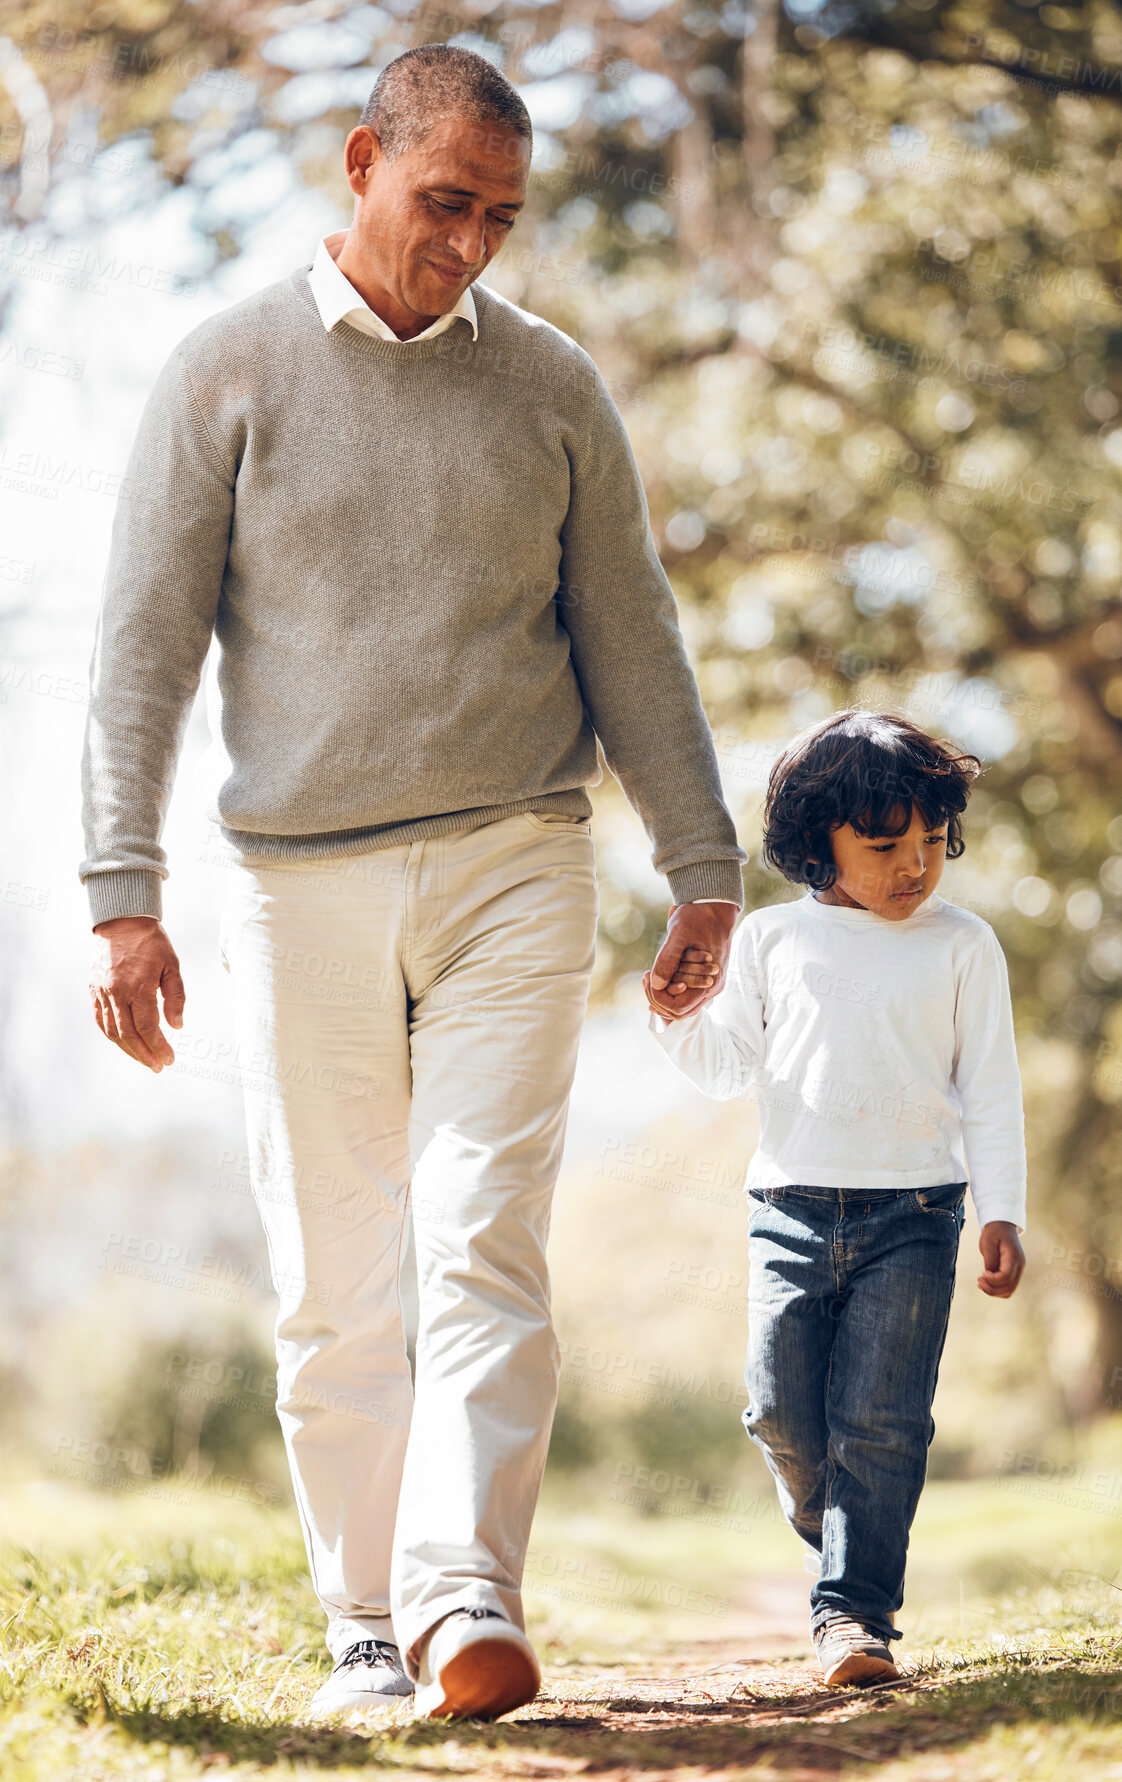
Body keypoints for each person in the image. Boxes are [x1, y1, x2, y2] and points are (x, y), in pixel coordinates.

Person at [80, 45, 746, 1722]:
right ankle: (361, 1622)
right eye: (446, 201)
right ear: (363, 160)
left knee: (480, 1230)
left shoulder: (552, 388)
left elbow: (633, 641)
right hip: (296, 882)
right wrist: (120, 892)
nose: (471, 242)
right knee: (333, 1268)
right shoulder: (223, 370)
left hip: (517, 854)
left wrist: (700, 866)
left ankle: (465, 1592)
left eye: (501, 217)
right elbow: (143, 654)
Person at [644, 709, 1026, 1688]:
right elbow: (728, 1069)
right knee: (780, 1414)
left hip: (919, 1216)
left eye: (933, 842)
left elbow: (990, 1089)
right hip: (790, 1212)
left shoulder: (963, 946)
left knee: (883, 1423)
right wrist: (676, 1017)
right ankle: (844, 1529)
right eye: (886, 844)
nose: (916, 866)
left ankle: (855, 1617)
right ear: (818, 844)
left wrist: (1002, 1211)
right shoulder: (772, 942)